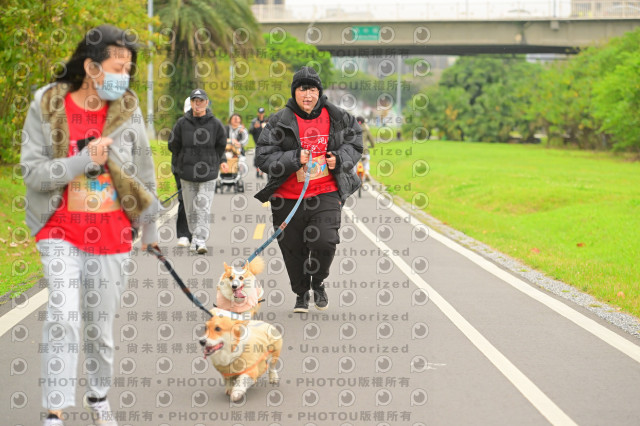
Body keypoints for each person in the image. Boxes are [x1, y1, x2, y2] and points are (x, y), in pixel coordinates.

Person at [20, 25, 160, 426]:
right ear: (91, 67)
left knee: (99, 328)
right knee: (62, 317)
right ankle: (54, 410)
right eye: (118, 67)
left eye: (129, 69)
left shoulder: (128, 109)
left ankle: (98, 396)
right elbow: (33, 173)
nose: (124, 76)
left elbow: (144, 171)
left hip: (113, 235)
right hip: (59, 230)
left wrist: (150, 229)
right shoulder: (48, 104)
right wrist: (83, 160)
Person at [254, 66, 363, 313]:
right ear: (294, 92)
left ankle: (319, 281)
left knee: (326, 241)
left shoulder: (337, 117)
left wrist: (340, 159)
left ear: (319, 92)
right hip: (287, 198)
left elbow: (355, 142)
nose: (308, 95)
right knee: (293, 250)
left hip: (325, 192)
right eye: (302, 89)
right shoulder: (280, 121)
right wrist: (294, 158)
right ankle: (301, 292)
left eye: (312, 89)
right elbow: (263, 156)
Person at [168, 88, 227, 254]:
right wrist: (182, 160)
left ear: (206, 103)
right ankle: (194, 235)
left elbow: (221, 144)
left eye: (201, 101)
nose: (198, 104)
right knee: (190, 209)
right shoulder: (181, 123)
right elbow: (173, 144)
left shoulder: (215, 124)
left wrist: (214, 160)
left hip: (208, 174)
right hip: (186, 174)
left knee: (203, 205)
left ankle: (201, 240)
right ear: (191, 103)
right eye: (195, 101)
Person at [172, 97, 195, 247]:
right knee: (184, 200)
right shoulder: (180, 125)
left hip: (201, 171)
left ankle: (197, 235)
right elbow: (172, 145)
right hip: (181, 169)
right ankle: (183, 235)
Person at [250, 107, 267, 178]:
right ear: (258, 113)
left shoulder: (266, 121)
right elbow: (250, 131)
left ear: (264, 113)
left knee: (264, 157)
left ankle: (262, 173)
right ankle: (257, 171)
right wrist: (254, 127)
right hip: (257, 142)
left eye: (262, 113)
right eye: (260, 113)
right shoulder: (254, 121)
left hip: (265, 142)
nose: (261, 114)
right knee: (257, 157)